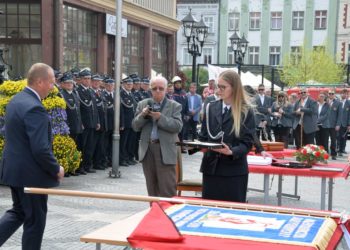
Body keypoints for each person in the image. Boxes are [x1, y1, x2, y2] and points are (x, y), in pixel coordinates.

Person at [0, 63, 65, 249]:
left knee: (19, 212)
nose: (53, 87)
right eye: (51, 83)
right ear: (39, 81)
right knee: (35, 222)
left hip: (15, 171)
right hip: (31, 176)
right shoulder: (35, 108)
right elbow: (40, 149)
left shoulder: (17, 100)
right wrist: (56, 168)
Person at [199, 70, 255, 202]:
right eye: (218, 86)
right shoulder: (211, 107)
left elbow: (247, 143)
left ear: (234, 88)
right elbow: (203, 136)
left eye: (223, 87)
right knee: (209, 212)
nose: (219, 90)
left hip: (234, 171)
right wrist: (195, 146)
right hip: (211, 169)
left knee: (232, 215)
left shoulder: (245, 110)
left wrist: (231, 151)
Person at [132, 76, 183, 197]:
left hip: (164, 149)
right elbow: (135, 126)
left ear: (166, 90)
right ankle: (154, 213)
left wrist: (160, 117)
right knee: (152, 188)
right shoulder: (142, 104)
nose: (158, 91)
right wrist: (143, 115)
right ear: (150, 90)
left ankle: (167, 214)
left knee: (167, 189)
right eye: (155, 88)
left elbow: (177, 126)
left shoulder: (174, 106)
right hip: (148, 149)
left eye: (161, 88)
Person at [326, 89, 341, 160]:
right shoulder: (325, 102)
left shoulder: (338, 103)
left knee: (333, 140)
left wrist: (338, 124)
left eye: (332, 93)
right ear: (328, 94)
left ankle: (333, 154)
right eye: (329, 93)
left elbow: (340, 115)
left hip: (333, 124)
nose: (331, 95)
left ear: (334, 94)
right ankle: (325, 153)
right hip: (325, 124)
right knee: (324, 139)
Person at [337, 89, 350, 156]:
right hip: (337, 123)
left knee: (344, 136)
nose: (343, 95)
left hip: (345, 122)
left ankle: (343, 149)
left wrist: (349, 124)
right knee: (337, 136)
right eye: (342, 93)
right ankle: (338, 149)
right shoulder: (337, 101)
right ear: (340, 94)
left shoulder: (348, 103)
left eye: (345, 93)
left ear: (347, 95)